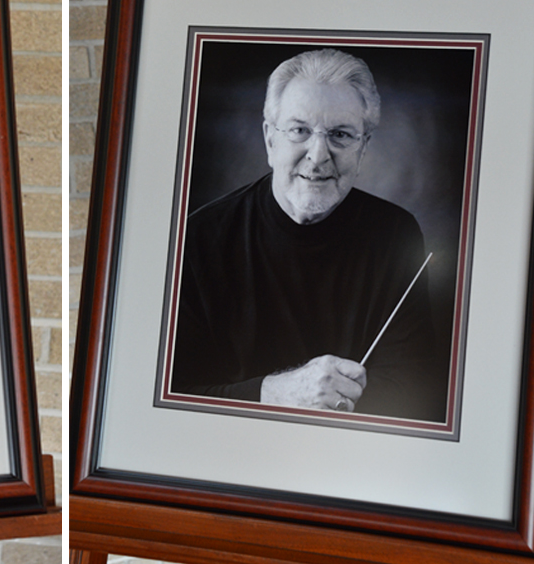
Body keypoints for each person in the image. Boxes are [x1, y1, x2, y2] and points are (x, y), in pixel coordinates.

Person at [170, 48, 442, 421]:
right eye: (299, 130)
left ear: (363, 148)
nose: (318, 156)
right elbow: (170, 399)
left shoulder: (396, 233)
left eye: (341, 135)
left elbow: (415, 386)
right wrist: (274, 393)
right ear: (270, 140)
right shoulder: (196, 239)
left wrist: (333, 398)